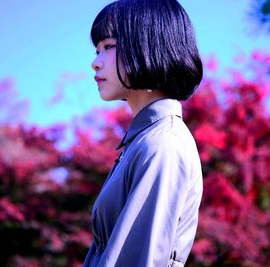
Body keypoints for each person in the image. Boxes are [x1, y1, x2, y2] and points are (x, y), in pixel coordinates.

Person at [83, 0, 203, 266]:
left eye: (108, 47)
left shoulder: (162, 144)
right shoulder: (144, 141)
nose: (95, 62)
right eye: (96, 49)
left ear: (147, 44)